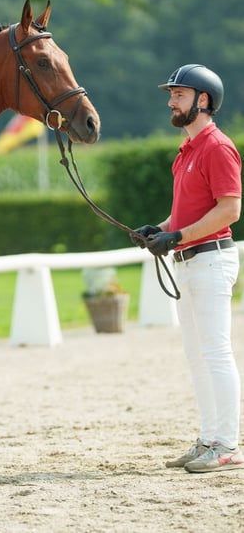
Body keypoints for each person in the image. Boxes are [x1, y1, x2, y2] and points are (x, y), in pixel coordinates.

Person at [132, 64, 243, 473]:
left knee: (215, 353)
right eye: (172, 95)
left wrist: (176, 237)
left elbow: (230, 209)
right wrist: (158, 230)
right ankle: (210, 438)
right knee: (197, 356)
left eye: (178, 95)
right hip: (190, 260)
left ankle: (228, 444)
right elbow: (187, 212)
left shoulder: (217, 147)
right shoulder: (187, 151)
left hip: (211, 259)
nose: (170, 102)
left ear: (203, 101)